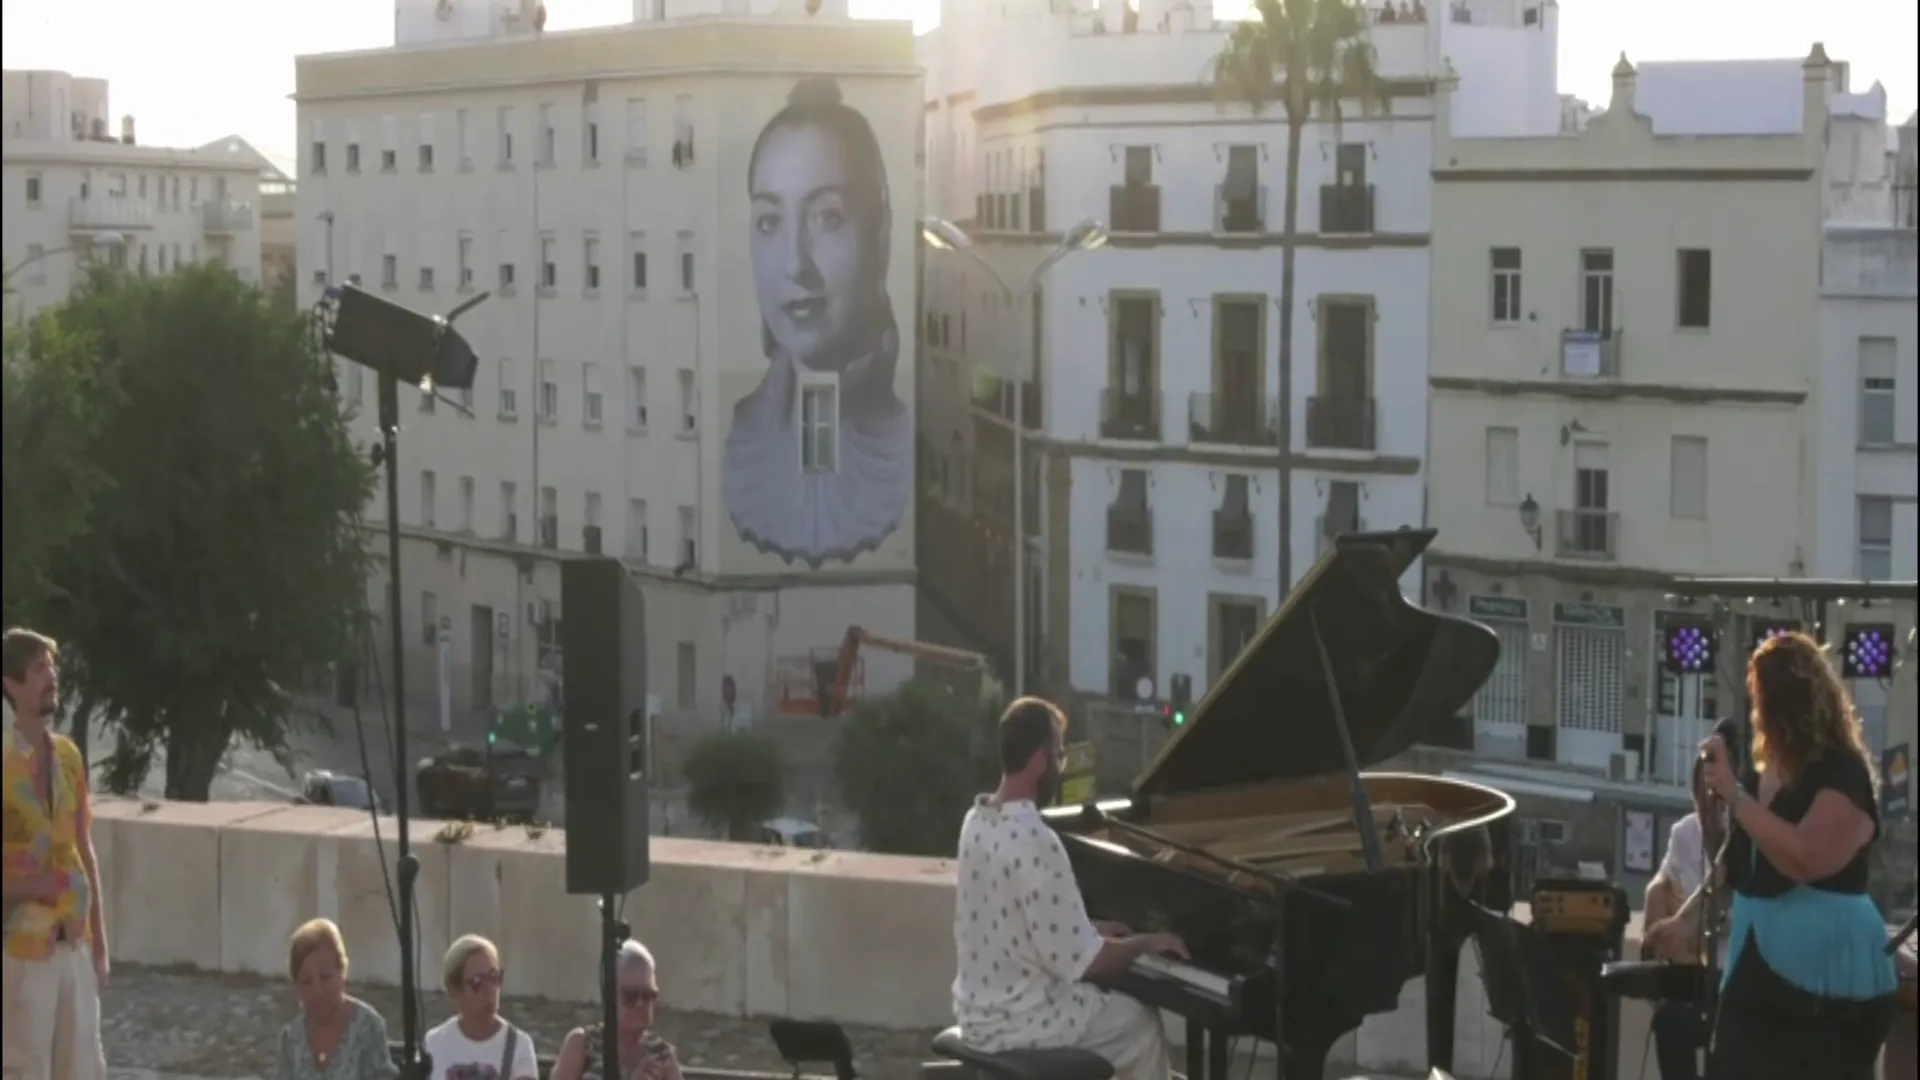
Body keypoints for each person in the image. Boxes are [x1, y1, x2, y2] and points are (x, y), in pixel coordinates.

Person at [1647, 632, 1897, 1080]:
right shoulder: (1761, 776)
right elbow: (1734, 863)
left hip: (1828, 980)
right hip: (1758, 971)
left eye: (1763, 699)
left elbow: (1806, 855)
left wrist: (1736, 797)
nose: (1758, 711)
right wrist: (1683, 921)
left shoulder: (1842, 770)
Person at [722, 76, 911, 570]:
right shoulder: (740, 441)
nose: (795, 264)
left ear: (881, 236)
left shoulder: (905, 449)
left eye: (827, 218)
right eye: (769, 221)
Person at [952, 697, 1189, 1080]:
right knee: (1141, 1024)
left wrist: (1089, 927)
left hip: (978, 1015)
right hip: (1026, 1021)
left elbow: (1028, 925)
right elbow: (1087, 962)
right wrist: (1146, 942)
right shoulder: (1036, 840)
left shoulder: (975, 822)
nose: (1060, 768)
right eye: (1060, 756)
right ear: (1042, 760)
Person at [1, 627, 109, 1080]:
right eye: (38, 668)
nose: (52, 677)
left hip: (74, 946)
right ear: (11, 685)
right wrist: (32, 886)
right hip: (22, 954)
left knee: (84, 1070)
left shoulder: (68, 756)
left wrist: (100, 943)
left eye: (52, 667)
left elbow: (85, 847)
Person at [1641, 758, 1727, 1080]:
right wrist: (1655, 892)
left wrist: (1691, 926)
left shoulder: (1744, 837)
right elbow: (1666, 877)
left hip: (1733, 978)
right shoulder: (1684, 833)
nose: (1706, 802)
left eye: (1714, 793)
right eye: (1699, 791)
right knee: (1668, 1020)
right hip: (1696, 977)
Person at [273, 918, 397, 1080]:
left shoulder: (368, 1027)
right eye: (306, 981)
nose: (317, 990)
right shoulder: (291, 1039)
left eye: (325, 977)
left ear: (342, 973)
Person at [550, 939, 684, 1080]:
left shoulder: (662, 1056)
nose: (640, 1004)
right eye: (631, 995)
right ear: (610, 996)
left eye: (647, 996)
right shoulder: (582, 1045)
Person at [424, 935, 539, 1079]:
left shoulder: (518, 1046)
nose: (490, 989)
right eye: (478, 982)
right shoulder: (434, 1044)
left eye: (493, 976)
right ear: (456, 992)